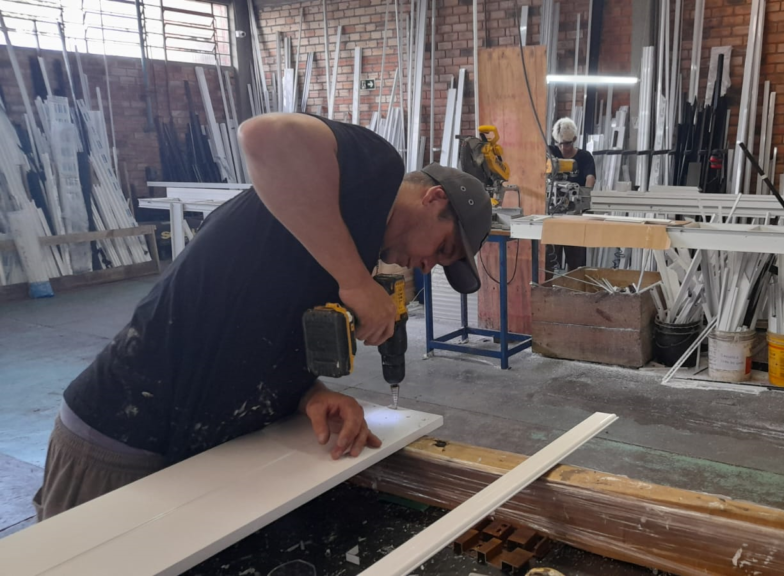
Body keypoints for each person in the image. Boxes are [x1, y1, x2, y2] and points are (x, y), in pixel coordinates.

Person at [32, 113, 492, 520]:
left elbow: (256, 326)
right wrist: (354, 282)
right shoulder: (376, 171)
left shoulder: (342, 241)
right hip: (119, 438)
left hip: (193, 456)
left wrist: (307, 393)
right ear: (433, 199)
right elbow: (264, 135)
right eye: (443, 249)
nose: (429, 266)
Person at [546, 117, 594, 274]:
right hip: (553, 216)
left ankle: (573, 286)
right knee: (549, 261)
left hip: (575, 217)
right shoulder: (550, 153)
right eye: (559, 143)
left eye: (566, 144)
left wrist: (584, 197)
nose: (562, 148)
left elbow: (590, 178)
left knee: (575, 263)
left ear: (574, 139)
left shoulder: (584, 157)